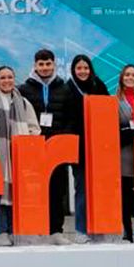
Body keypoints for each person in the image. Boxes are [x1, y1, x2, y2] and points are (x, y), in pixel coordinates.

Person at [52, 54, 109, 242]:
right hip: (79, 149)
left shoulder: (99, 86)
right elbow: (64, 117)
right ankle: (81, 229)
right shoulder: (67, 89)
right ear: (73, 70)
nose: (83, 71)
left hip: (100, 148)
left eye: (86, 68)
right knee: (82, 189)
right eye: (79, 68)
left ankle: (100, 228)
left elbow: (107, 112)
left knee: (100, 189)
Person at [19, 49, 71, 245]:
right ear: (35, 66)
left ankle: (55, 230)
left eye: (48, 64)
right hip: (33, 147)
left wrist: (62, 138)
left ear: (54, 65)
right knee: (33, 190)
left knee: (57, 190)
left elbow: (70, 117)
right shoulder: (24, 90)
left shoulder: (64, 88)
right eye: (41, 64)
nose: (45, 68)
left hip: (57, 148)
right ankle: (35, 229)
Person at [0, 66, 39, 246]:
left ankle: (14, 230)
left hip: (19, 155)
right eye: (2, 78)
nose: (6, 81)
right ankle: (1, 231)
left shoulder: (24, 103)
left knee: (17, 192)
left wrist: (26, 139)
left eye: (9, 77)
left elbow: (35, 128)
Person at [115, 64, 134, 242]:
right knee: (125, 194)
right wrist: (127, 132)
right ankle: (127, 230)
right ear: (122, 78)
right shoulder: (115, 100)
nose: (130, 77)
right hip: (124, 152)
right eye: (127, 74)